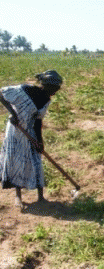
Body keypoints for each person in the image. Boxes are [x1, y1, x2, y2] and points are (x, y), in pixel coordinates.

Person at [0, 70, 63, 208]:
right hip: (15, 131)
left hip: (30, 131)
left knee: (36, 161)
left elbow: (38, 121)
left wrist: (40, 141)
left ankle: (41, 197)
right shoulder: (24, 89)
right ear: (44, 85)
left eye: (56, 89)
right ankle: (18, 197)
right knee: (15, 162)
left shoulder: (46, 99)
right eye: (53, 88)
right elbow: (1, 93)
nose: (54, 92)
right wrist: (13, 114)